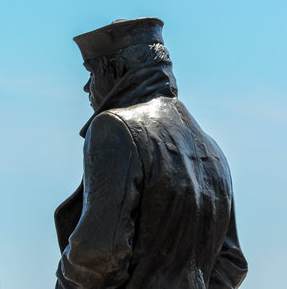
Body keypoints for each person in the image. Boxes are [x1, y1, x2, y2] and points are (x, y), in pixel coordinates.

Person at [54, 18, 248, 289]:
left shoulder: (116, 127)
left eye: (92, 74)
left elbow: (99, 255)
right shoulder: (213, 150)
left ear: (117, 71)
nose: (87, 88)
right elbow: (231, 261)